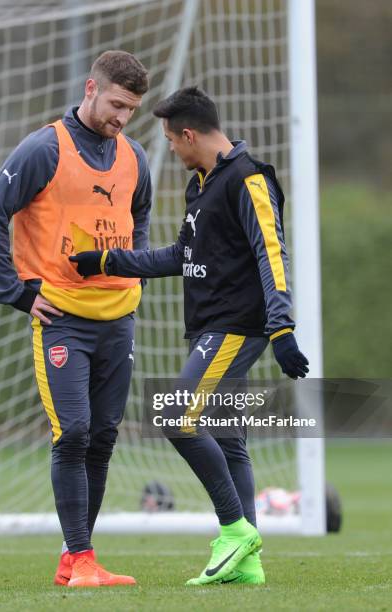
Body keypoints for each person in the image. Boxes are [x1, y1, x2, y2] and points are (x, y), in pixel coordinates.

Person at [70, 86, 309, 586]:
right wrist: (109, 261)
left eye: (172, 142)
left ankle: (235, 530)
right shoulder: (200, 185)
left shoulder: (249, 178)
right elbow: (180, 256)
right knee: (229, 439)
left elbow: (273, 254)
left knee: (175, 415)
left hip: (235, 327)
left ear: (188, 133)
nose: (172, 151)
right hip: (211, 327)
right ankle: (247, 564)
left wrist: (282, 327)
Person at [0, 50, 151, 588]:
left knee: (103, 436)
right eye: (117, 104)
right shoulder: (44, 147)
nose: (122, 117)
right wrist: (16, 292)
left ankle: (77, 561)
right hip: (62, 320)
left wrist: (133, 270)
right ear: (91, 87)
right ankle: (80, 557)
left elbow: (138, 215)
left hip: (118, 318)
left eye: (132, 109)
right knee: (71, 432)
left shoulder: (135, 156)